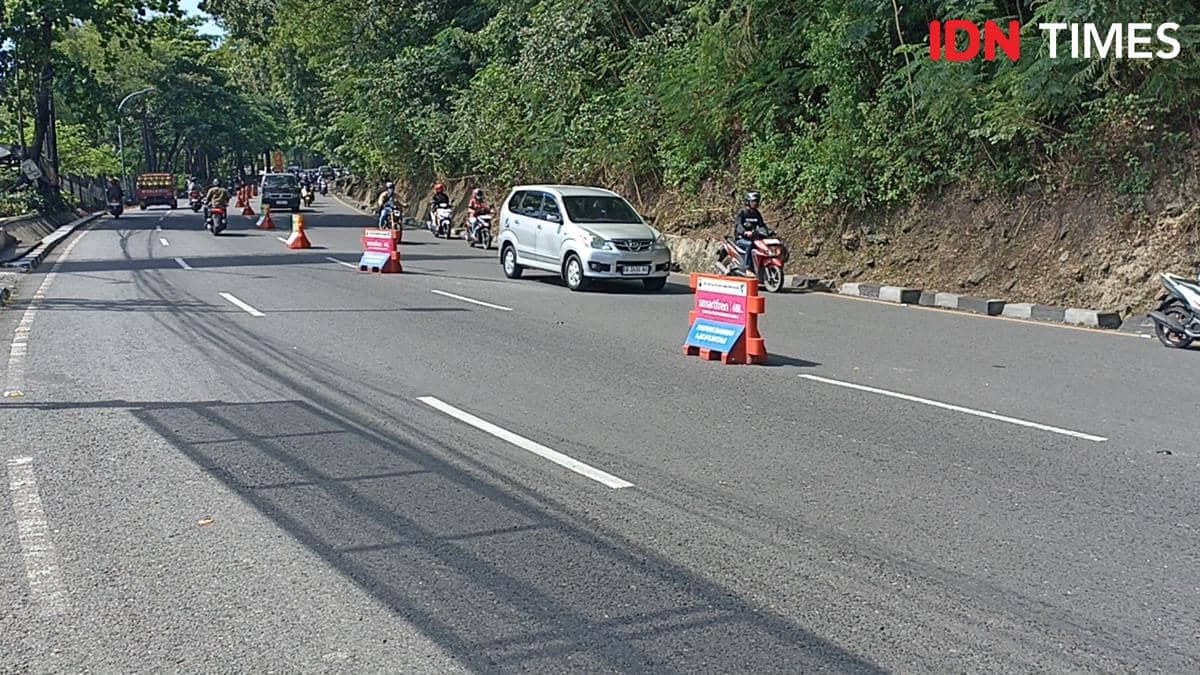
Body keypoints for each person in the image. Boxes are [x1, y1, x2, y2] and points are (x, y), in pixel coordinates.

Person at [734, 191, 767, 275]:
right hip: (741, 239)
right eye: (753, 201)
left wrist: (766, 231)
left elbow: (762, 225)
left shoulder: (757, 214)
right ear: (748, 202)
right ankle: (748, 268)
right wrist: (745, 232)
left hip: (753, 238)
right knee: (750, 244)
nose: (755, 203)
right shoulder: (742, 213)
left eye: (756, 201)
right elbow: (738, 225)